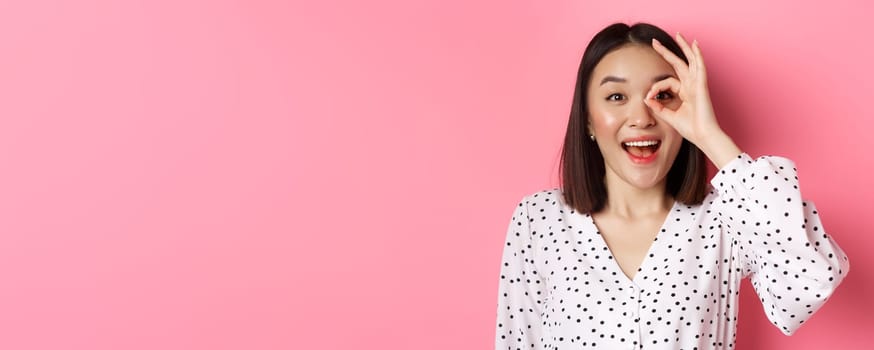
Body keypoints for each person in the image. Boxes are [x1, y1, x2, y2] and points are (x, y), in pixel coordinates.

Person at [494, 22, 849, 350]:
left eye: (662, 95)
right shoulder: (538, 221)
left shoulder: (725, 218)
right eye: (616, 97)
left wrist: (709, 136)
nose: (642, 118)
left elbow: (809, 281)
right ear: (587, 118)